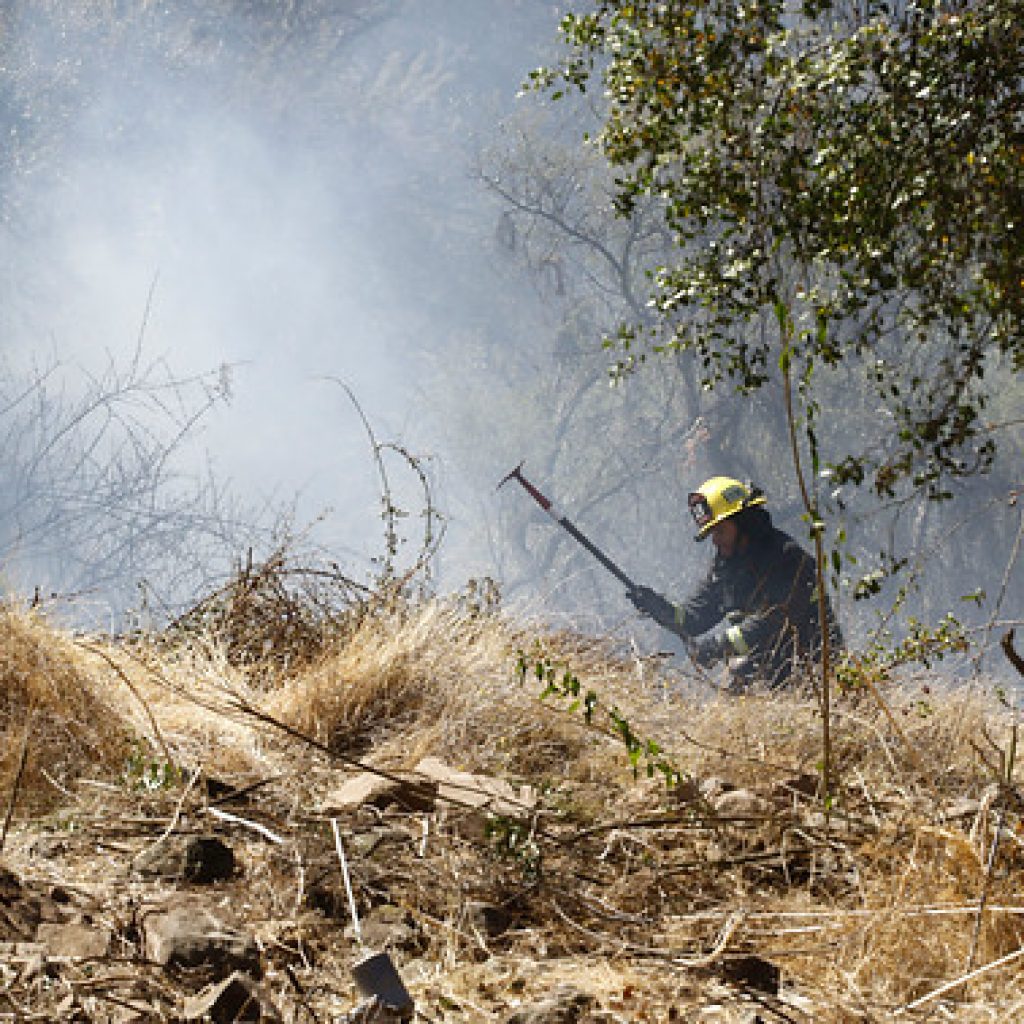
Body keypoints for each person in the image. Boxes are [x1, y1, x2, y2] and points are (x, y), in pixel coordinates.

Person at [627, 476, 842, 691]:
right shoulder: (726, 569)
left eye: (720, 530)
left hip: (816, 679)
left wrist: (719, 646)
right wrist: (656, 606)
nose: (715, 540)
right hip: (768, 678)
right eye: (712, 533)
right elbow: (693, 618)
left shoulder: (787, 558)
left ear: (744, 523)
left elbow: (775, 621)